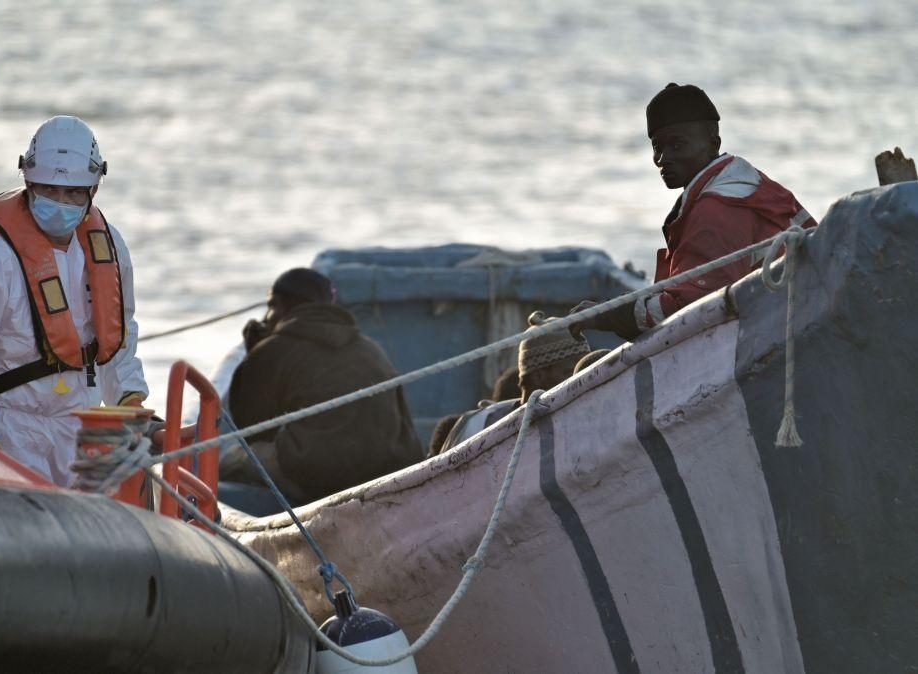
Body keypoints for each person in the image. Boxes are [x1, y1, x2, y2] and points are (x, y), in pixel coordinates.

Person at [0, 116, 147, 486]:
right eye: (49, 190)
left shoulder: (108, 249)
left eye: (74, 193)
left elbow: (120, 340)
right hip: (8, 429)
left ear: (92, 192)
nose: (61, 203)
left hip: (80, 430)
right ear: (29, 185)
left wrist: (129, 402)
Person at [571, 83, 817, 340]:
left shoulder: (716, 209)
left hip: (785, 335)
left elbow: (691, 308)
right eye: (657, 147)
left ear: (713, 142)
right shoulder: (748, 184)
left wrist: (606, 315)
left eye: (677, 145)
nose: (663, 158)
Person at [221, 268, 424, 508]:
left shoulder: (275, 348)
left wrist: (255, 353)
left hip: (320, 478)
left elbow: (252, 430)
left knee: (229, 461)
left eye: (271, 307)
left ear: (280, 306)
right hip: (389, 475)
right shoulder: (369, 348)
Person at [431, 313, 589, 456]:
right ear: (539, 376)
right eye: (570, 372)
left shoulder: (584, 426)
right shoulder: (476, 427)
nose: (580, 380)